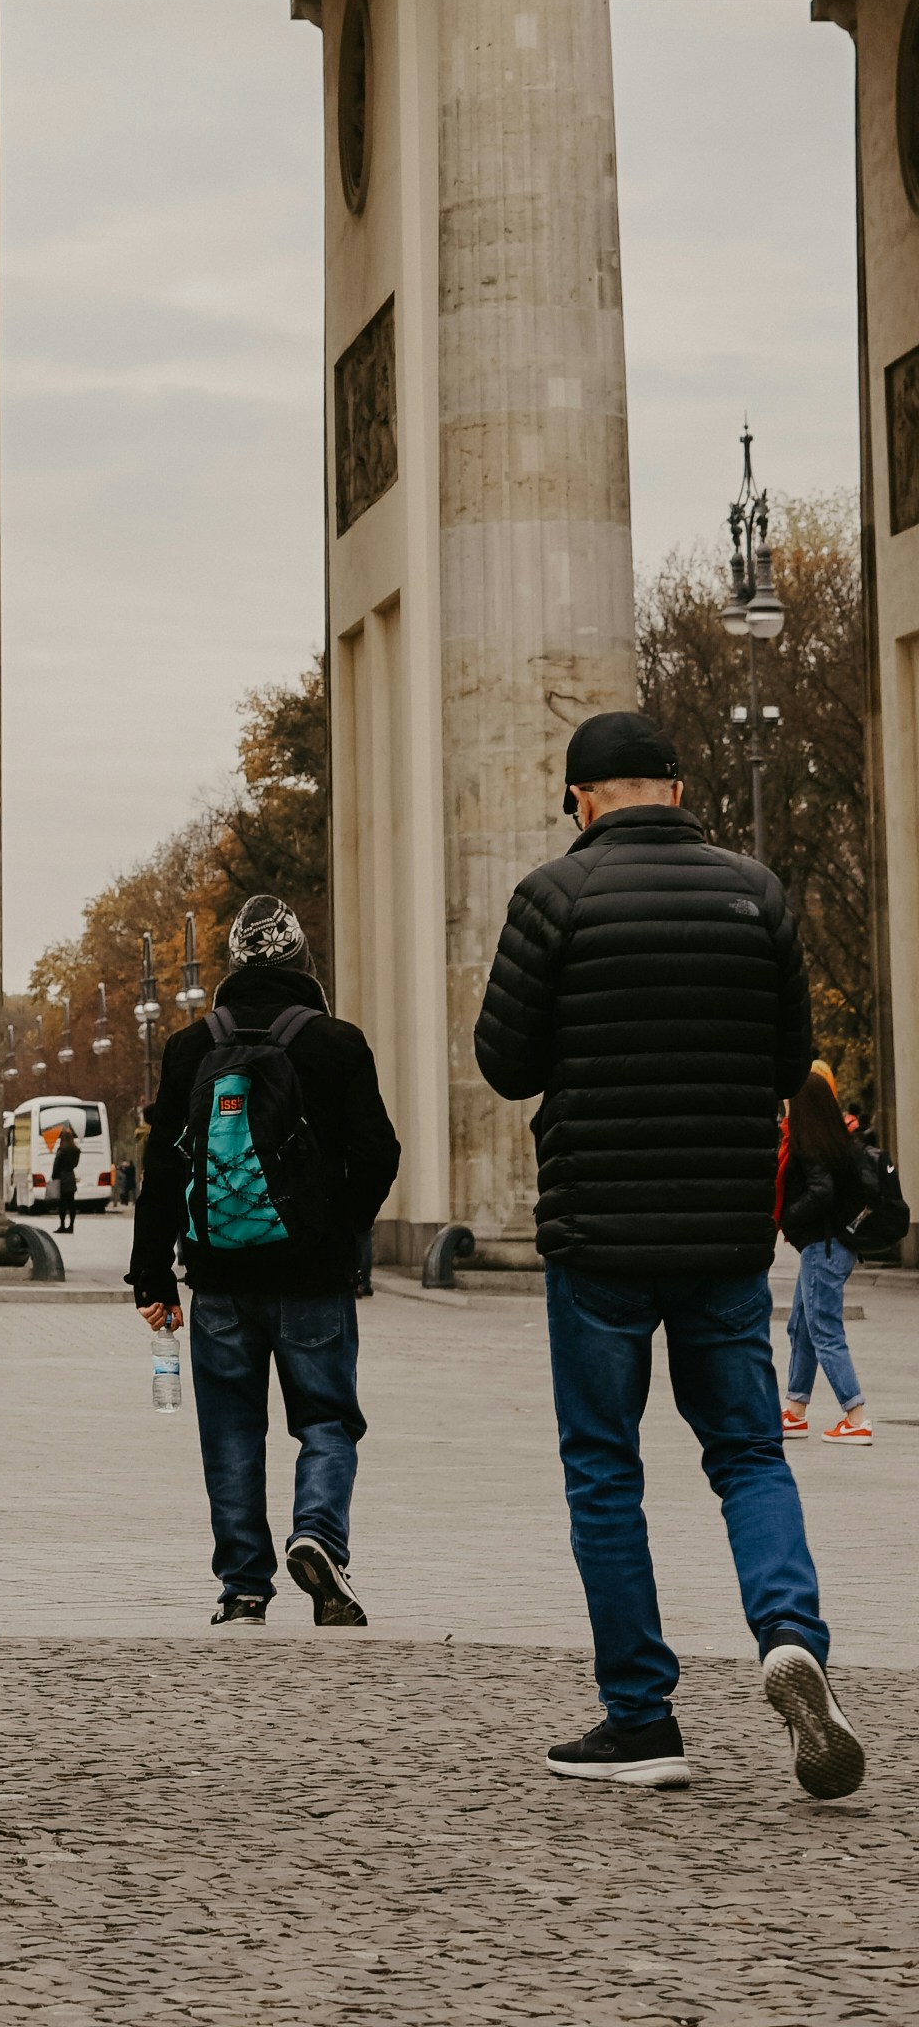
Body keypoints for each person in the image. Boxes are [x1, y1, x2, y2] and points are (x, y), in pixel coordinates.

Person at [475, 708, 864, 1800]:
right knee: (747, 1453)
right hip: (722, 1233)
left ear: (579, 798)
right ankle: (790, 1638)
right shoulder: (755, 893)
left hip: (596, 1231)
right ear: (679, 787)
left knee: (604, 1467)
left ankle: (641, 1718)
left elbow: (505, 1063)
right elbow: (790, 1063)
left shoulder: (553, 896)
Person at [129, 895, 400, 1630]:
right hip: (312, 1277)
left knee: (230, 1435)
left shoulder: (190, 1047)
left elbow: (162, 1171)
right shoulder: (337, 1043)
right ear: (302, 960)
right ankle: (318, 1535)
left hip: (219, 1279)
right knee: (327, 1421)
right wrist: (339, 1232)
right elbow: (379, 1152)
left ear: (233, 964)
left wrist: (152, 1277)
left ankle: (244, 1588)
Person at [778, 1061, 871, 1445]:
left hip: (823, 1247)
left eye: (789, 1102)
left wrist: (788, 1216)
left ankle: (856, 1416)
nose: (785, 1108)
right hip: (832, 1247)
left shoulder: (811, 1145)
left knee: (824, 1330)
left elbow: (821, 1192)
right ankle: (795, 1410)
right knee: (801, 1325)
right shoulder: (833, 1141)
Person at [48, 1122, 80, 1238]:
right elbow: (75, 1164)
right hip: (71, 1177)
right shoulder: (75, 1151)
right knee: (71, 1203)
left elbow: (56, 1165)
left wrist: (54, 1176)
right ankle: (71, 1226)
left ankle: (62, 1225)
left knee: (62, 1204)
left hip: (62, 1178)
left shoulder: (61, 1151)